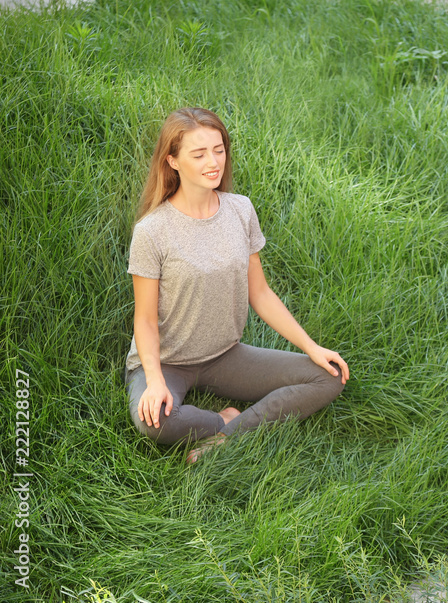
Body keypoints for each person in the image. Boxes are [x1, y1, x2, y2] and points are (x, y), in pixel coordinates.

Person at [124, 107, 348, 463]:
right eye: (198, 154)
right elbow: (146, 320)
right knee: (155, 423)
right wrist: (154, 380)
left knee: (329, 377)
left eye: (219, 149)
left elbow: (260, 293)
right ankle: (221, 420)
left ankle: (229, 434)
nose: (213, 161)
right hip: (166, 361)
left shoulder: (240, 210)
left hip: (224, 355)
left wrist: (311, 346)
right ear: (173, 161)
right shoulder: (153, 231)